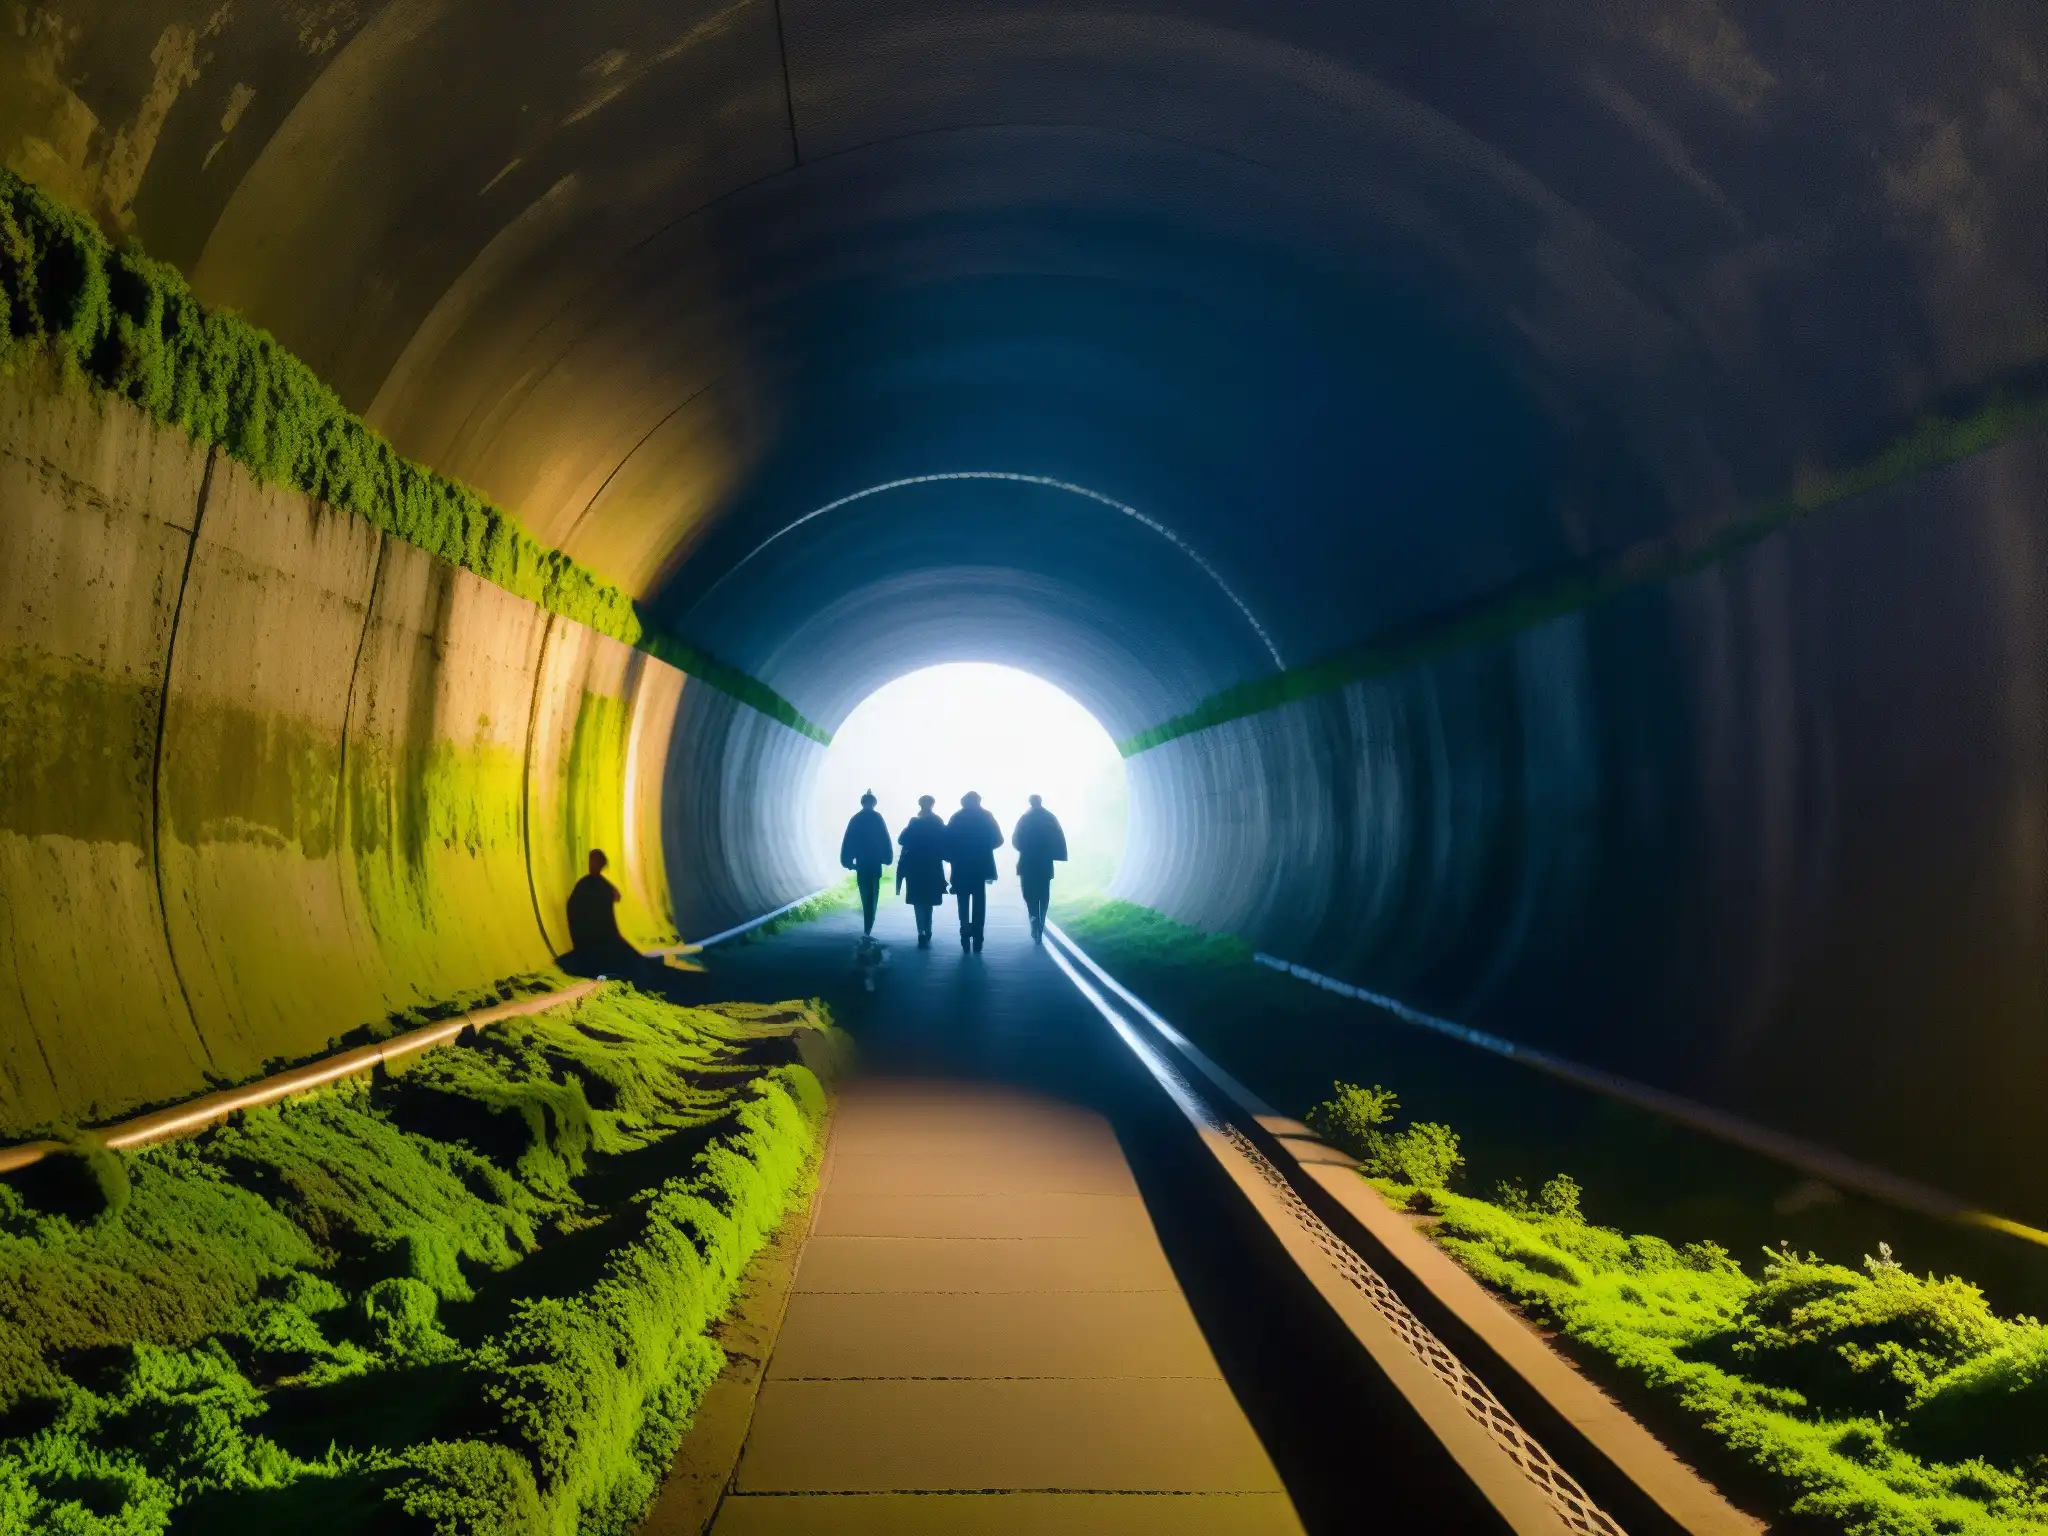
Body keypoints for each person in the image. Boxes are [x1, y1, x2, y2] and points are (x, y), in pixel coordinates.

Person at [565, 849, 650, 979]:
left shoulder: (597, 885)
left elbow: (615, 897)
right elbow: (574, 908)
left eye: (595, 862)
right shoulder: (590, 885)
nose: (592, 865)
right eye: (591, 861)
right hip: (590, 941)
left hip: (597, 941)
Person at [945, 791, 1004, 952]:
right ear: (979, 801)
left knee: (962, 901)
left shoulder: (956, 817)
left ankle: (965, 932)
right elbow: (999, 839)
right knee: (979, 903)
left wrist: (953, 856)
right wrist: (985, 848)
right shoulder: (986, 816)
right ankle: (978, 937)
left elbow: (946, 840)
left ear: (963, 802)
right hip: (980, 866)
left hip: (961, 866)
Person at [1012, 794, 1069, 944]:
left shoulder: (1025, 818)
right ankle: (1041, 921)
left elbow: (1016, 841)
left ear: (1030, 802)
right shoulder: (1050, 817)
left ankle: (1033, 917)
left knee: (1029, 893)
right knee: (1044, 892)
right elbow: (1059, 837)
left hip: (1027, 862)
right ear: (1041, 802)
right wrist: (1056, 854)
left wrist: (1025, 848)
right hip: (1044, 862)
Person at [896, 795, 949, 947]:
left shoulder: (914, 822)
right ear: (932, 805)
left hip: (915, 866)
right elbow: (945, 841)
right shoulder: (937, 822)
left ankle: (921, 931)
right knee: (929, 900)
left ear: (920, 805)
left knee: (918, 900)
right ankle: (928, 929)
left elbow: (901, 840)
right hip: (932, 866)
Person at [839, 791, 894, 937]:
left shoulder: (856, 819)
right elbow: (885, 838)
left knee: (865, 892)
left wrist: (847, 861)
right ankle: (869, 922)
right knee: (874, 892)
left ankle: (867, 923)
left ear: (862, 803)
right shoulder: (877, 818)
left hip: (862, 862)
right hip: (875, 862)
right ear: (874, 803)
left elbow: (849, 840)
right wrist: (887, 858)